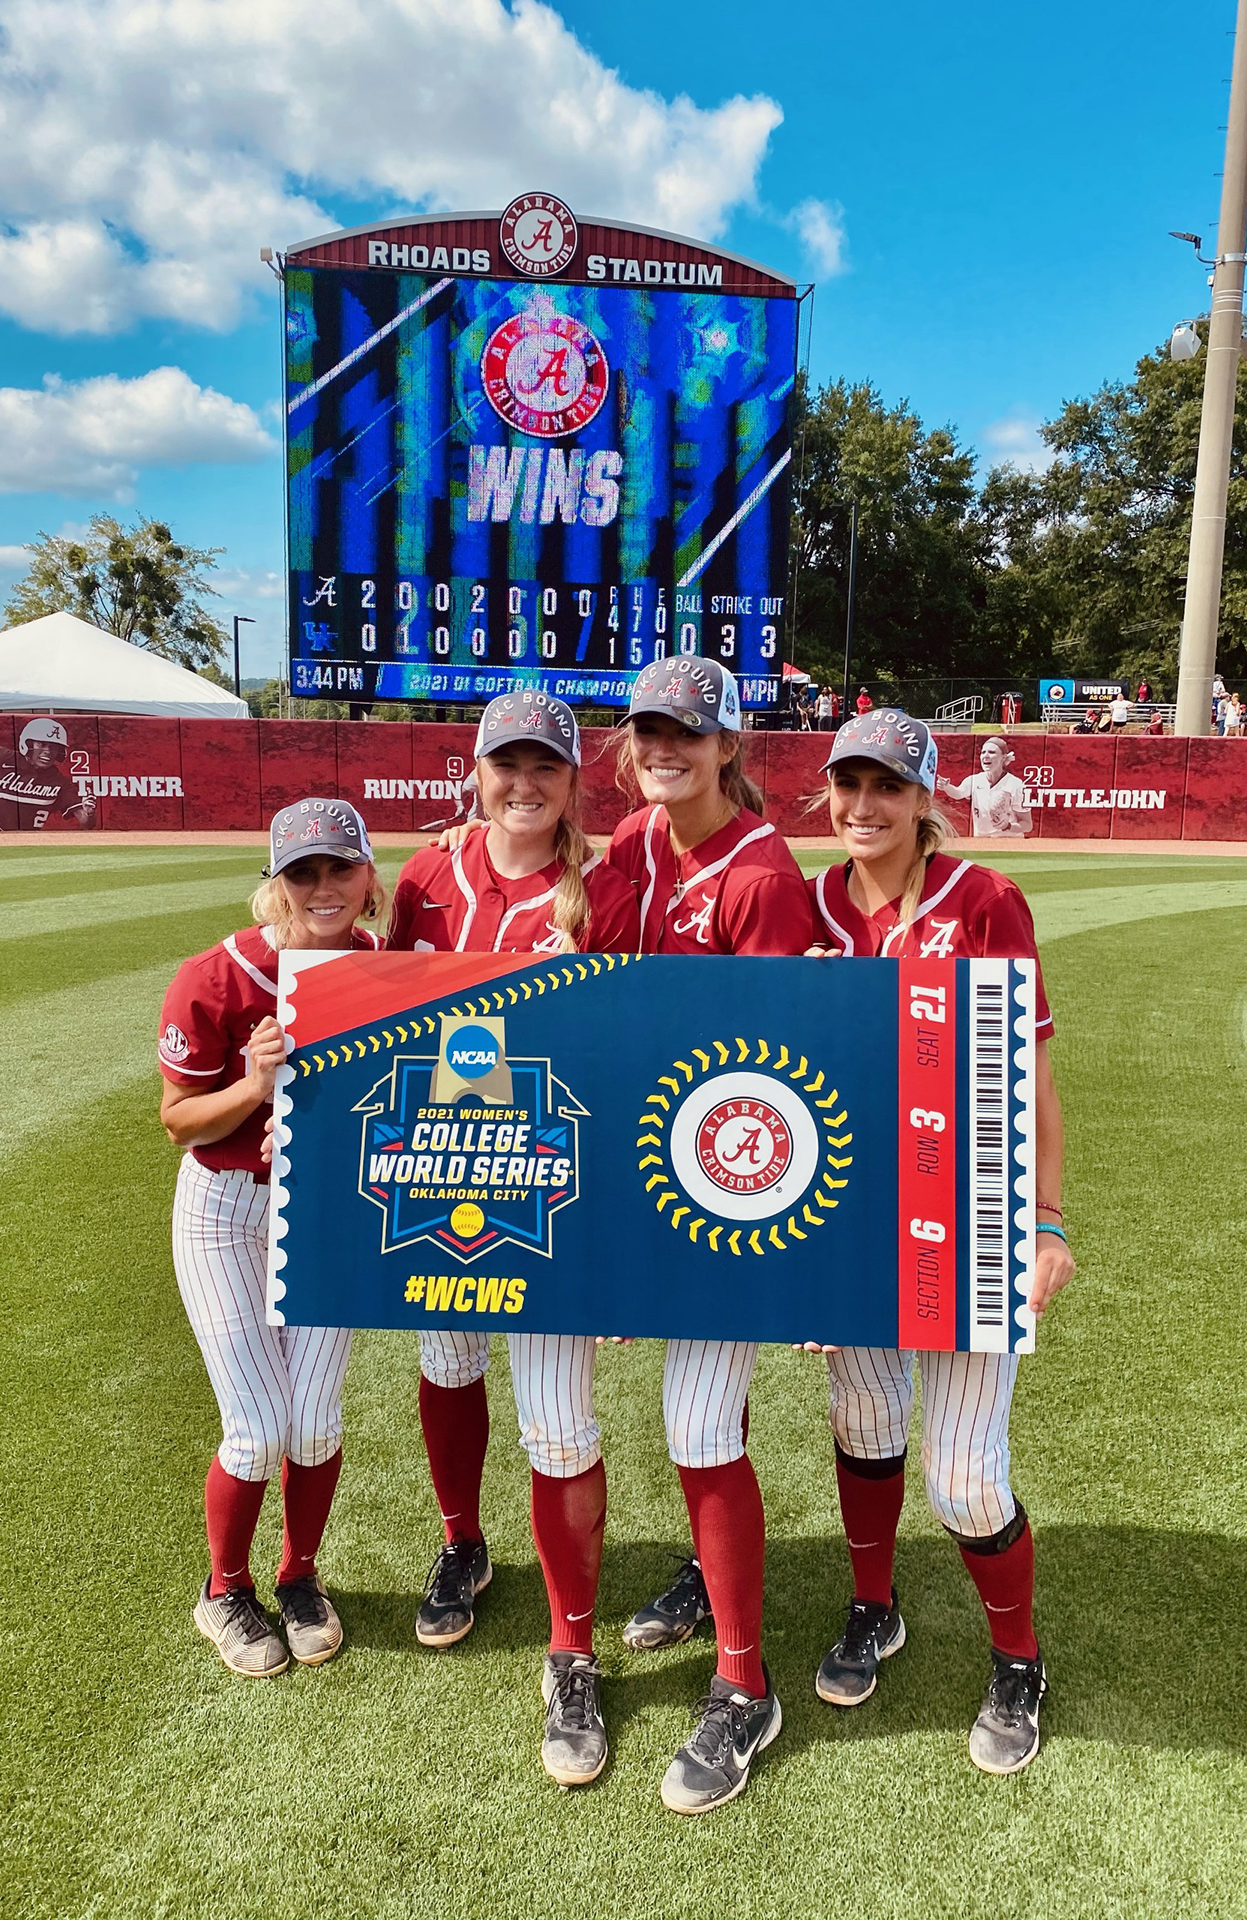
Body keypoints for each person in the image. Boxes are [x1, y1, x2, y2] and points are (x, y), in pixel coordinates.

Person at [805, 711, 1074, 1775]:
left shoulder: (985, 899)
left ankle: (1019, 1659)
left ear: (925, 798)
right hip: (845, 1210)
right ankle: (875, 1605)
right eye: (848, 785)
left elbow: (1036, 1074)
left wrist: (1047, 1221)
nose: (864, 807)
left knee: (964, 1480)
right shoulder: (810, 901)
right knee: (863, 1419)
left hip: (970, 1206)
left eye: (887, 787)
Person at [388, 691, 639, 1790]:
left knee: (559, 1424)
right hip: (445, 1173)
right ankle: (462, 1542)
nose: (523, 782)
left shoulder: (609, 880)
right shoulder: (426, 877)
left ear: (575, 775)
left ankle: (572, 1647)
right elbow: (381, 1011)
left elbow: (637, 1046)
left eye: (544, 764)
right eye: (505, 763)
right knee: (446, 1364)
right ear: (475, 770)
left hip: (557, 1186)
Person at [606, 656, 814, 1814]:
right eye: (647, 732)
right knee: (697, 1418)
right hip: (648, 1166)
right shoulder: (637, 841)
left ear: (730, 744)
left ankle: (746, 1685)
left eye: (685, 734)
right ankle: (706, 1570)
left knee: (695, 1423)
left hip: (722, 1180)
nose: (661, 750)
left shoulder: (761, 873)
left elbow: (770, 1069)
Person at [158, 799, 383, 1678]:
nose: (322, 887)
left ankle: (298, 1577)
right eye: (303, 872)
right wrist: (255, 1087)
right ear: (275, 885)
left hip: (327, 1209)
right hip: (225, 1209)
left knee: (316, 1421)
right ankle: (222, 1591)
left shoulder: (379, 965)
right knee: (255, 1429)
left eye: (340, 868)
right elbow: (178, 1121)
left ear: (369, 878)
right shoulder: (215, 978)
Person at [936, 735, 1032, 838]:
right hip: (981, 842)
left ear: (1003, 757)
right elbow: (958, 793)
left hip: (1009, 842)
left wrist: (1008, 826)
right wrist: (946, 787)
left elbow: (1027, 825)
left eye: (991, 752)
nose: (985, 756)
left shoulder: (1015, 784)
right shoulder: (974, 780)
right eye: (983, 752)